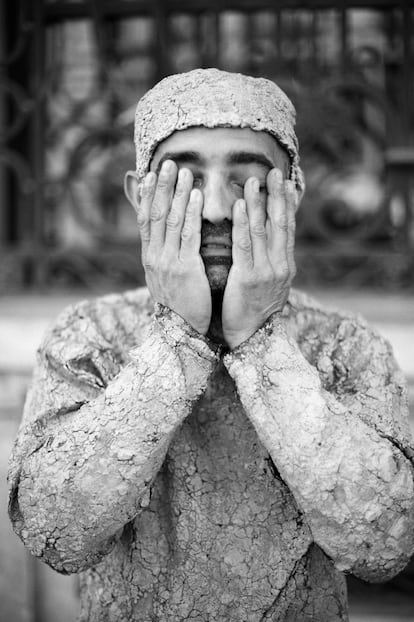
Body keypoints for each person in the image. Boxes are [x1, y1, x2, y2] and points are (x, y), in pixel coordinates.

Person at [8, 68, 414, 622]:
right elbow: (55, 532)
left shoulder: (346, 344)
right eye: (185, 180)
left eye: (248, 177)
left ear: (291, 195)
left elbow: (386, 545)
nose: (218, 209)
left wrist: (259, 341)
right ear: (138, 195)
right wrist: (178, 336)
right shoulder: (90, 335)